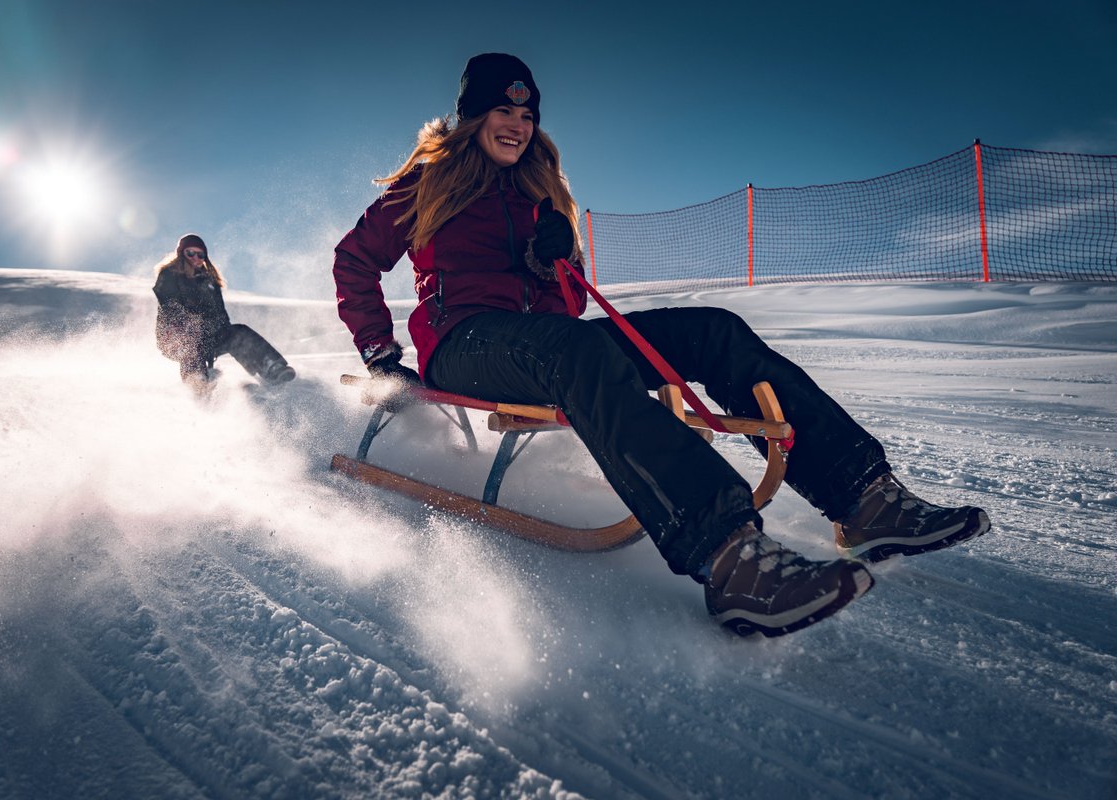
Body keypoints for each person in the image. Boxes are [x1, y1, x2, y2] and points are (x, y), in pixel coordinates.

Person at [332, 53, 990, 638]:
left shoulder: (541, 196)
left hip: (548, 344)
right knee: (576, 351)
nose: (517, 124)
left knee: (712, 331)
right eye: (502, 109)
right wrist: (380, 354)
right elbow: (354, 262)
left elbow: (570, 307)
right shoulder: (429, 185)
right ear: (472, 116)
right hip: (466, 344)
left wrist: (550, 262)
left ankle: (865, 498)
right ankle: (732, 559)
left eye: (526, 113)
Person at [153, 233, 296, 394]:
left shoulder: (209, 282)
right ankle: (197, 383)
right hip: (174, 337)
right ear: (181, 253)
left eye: (201, 255)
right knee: (190, 339)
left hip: (207, 334)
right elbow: (168, 303)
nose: (196, 258)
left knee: (238, 332)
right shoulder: (169, 275)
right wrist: (192, 320)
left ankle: (271, 368)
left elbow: (220, 313)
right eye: (190, 253)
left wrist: (225, 333)